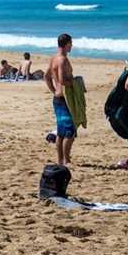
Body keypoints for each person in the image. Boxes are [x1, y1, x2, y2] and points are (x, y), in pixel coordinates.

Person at [45, 34, 75, 166]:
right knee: (70, 131)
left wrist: (53, 90)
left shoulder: (53, 58)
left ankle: (60, 160)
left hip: (57, 98)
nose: (72, 46)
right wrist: (74, 83)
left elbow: (46, 76)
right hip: (64, 99)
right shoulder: (62, 60)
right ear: (66, 44)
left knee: (61, 132)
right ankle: (66, 160)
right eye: (71, 43)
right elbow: (62, 80)